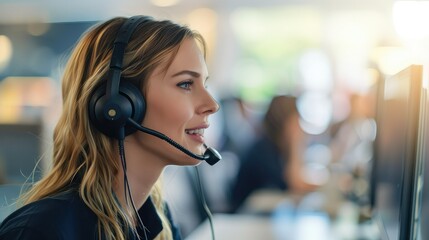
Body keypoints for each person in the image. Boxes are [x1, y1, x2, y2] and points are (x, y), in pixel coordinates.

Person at [0, 15, 219, 240]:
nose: (212, 105)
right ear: (118, 104)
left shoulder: (157, 221)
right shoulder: (42, 231)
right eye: (185, 84)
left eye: (205, 84)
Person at [230, 95, 319, 212]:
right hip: (245, 217)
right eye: (296, 120)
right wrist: (296, 143)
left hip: (260, 214)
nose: (300, 126)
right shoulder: (263, 151)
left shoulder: (274, 147)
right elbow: (295, 185)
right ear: (286, 121)